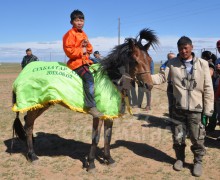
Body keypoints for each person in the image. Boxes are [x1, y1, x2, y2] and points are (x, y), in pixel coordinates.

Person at [152, 36, 214, 177]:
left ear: (191, 48)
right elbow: (162, 77)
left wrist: (209, 108)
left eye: (186, 48)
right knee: (178, 136)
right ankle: (180, 158)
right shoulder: (172, 63)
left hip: (196, 109)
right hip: (178, 108)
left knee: (197, 137)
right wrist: (147, 78)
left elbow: (208, 87)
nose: (183, 51)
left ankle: (198, 161)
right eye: (180, 48)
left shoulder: (202, 64)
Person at [63, 9, 103, 119]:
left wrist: (86, 46)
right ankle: (90, 106)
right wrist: (82, 50)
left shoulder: (84, 34)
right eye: (77, 20)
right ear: (71, 22)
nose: (80, 22)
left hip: (86, 60)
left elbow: (90, 49)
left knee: (102, 70)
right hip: (76, 63)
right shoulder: (69, 34)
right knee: (89, 78)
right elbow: (69, 52)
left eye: (82, 20)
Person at [160, 52, 176, 117]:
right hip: (170, 86)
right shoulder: (166, 64)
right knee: (171, 103)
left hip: (178, 86)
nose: (174, 59)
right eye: (172, 58)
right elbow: (162, 68)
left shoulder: (178, 63)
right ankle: (171, 116)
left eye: (174, 58)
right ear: (169, 59)